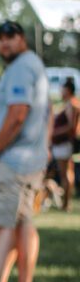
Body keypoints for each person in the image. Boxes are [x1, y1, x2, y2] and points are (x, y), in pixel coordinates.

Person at [0, 21, 49, 282]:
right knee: (23, 222)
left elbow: (18, 113)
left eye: (10, 37)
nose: (4, 43)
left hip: (12, 160)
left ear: (22, 38)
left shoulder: (21, 68)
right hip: (31, 159)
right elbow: (48, 112)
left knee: (5, 224)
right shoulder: (35, 65)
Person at [50, 78, 78, 211]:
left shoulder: (71, 105)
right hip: (64, 143)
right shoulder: (70, 104)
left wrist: (53, 133)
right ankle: (66, 203)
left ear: (68, 90)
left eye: (62, 89)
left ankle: (66, 203)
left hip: (64, 143)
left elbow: (71, 126)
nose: (60, 91)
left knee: (65, 173)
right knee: (67, 172)